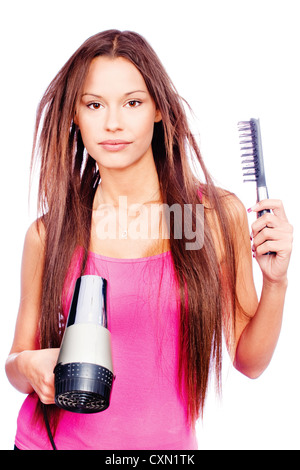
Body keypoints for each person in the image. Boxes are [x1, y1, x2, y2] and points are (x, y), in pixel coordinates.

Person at [5, 30, 293, 450]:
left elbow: (250, 362)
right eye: (94, 104)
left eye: (133, 102)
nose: (113, 123)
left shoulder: (211, 218)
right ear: (74, 116)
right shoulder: (48, 235)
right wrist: (29, 364)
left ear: (159, 110)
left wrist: (277, 282)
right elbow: (16, 362)